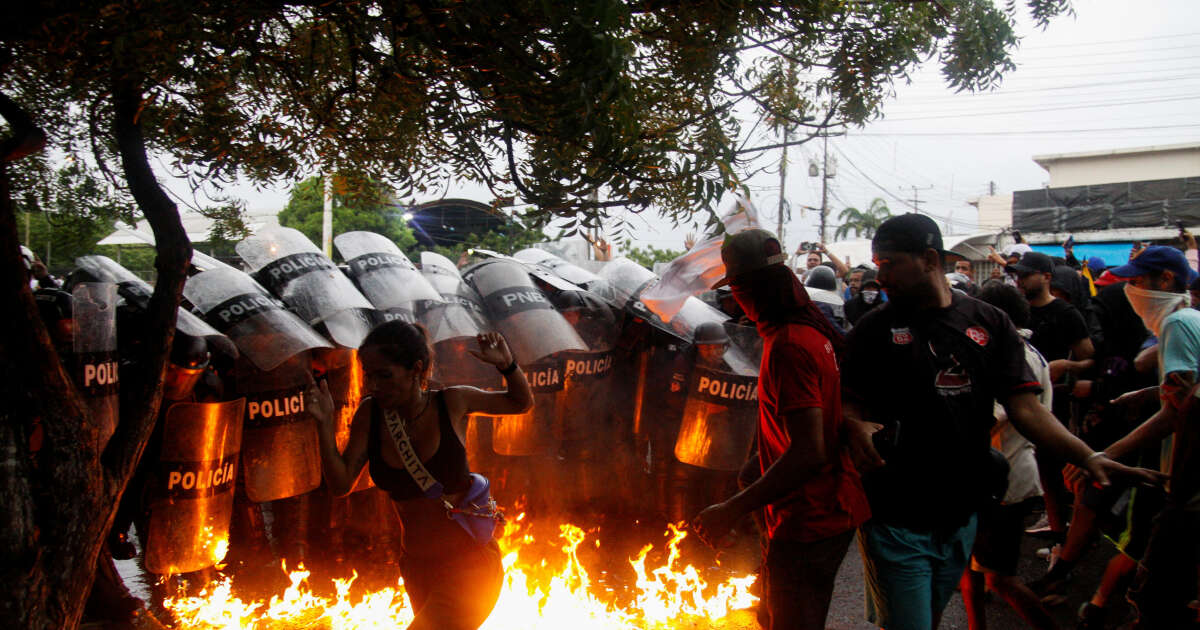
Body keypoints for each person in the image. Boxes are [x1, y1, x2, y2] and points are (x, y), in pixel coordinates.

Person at [841, 214, 1163, 630]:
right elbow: (847, 398)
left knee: (931, 618)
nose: (879, 275)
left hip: (962, 511)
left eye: (888, 263)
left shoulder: (989, 323)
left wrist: (1089, 457)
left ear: (929, 259)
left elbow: (1026, 410)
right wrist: (853, 423)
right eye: (876, 263)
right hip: (896, 512)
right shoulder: (873, 331)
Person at [693, 228, 871, 630]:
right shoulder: (806, 332)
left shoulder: (789, 345)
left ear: (750, 289)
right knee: (774, 612)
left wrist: (731, 509)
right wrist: (758, 465)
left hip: (810, 515)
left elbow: (810, 451)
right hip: (818, 509)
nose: (734, 299)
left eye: (735, 288)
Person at [307, 321, 533, 630]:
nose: (373, 385)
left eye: (384, 375)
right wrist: (322, 425)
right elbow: (340, 484)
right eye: (369, 375)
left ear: (416, 369)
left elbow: (520, 403)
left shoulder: (452, 402)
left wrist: (508, 366)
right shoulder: (370, 414)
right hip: (417, 567)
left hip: (470, 565)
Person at [1068, 245, 1200, 628]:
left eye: (1138, 281)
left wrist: (1105, 455)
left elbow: (1177, 412)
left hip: (1189, 481)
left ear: (1166, 280)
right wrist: (1148, 392)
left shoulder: (1177, 325)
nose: (1131, 289)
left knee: (1157, 597)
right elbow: (1187, 391)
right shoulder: (1190, 320)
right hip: (1189, 477)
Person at [959, 282, 1057, 630]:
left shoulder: (1011, 353)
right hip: (1000, 472)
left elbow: (996, 416)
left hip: (1005, 476)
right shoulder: (1025, 349)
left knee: (1001, 578)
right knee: (971, 566)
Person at [1008, 251, 1094, 547]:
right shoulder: (1013, 311)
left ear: (1046, 277)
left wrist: (1065, 366)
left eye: (1025, 274)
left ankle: (1061, 537)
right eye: (1016, 275)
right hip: (1013, 401)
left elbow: (1089, 360)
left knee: (1051, 469)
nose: (1019, 280)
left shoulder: (1065, 314)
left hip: (1049, 402)